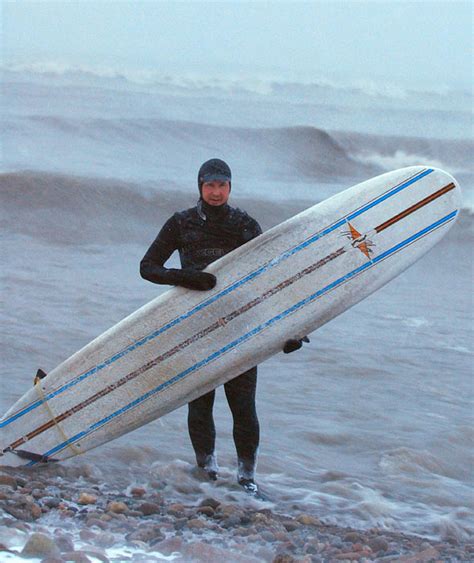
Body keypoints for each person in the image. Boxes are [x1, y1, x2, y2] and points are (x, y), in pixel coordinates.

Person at [140, 158, 307, 495]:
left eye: (222, 185)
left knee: (242, 404)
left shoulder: (244, 225)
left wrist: (293, 331)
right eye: (210, 185)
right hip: (195, 325)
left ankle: (247, 476)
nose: (216, 192)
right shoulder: (181, 223)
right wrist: (187, 278)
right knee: (199, 400)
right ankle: (208, 469)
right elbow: (148, 267)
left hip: (240, 325)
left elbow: (272, 279)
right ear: (200, 187)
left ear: (230, 187)